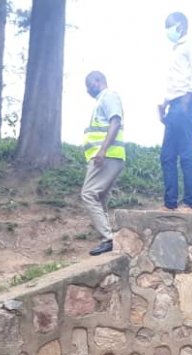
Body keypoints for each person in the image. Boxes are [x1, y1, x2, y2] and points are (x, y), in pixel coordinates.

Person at [158, 11, 192, 212]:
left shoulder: (191, 45)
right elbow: (175, 81)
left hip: (187, 103)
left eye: (170, 26)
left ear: (181, 26)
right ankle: (170, 203)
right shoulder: (176, 49)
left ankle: (189, 203)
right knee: (167, 155)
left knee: (185, 154)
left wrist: (187, 99)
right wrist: (164, 103)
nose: (168, 30)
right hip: (174, 105)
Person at [81, 71, 126, 257]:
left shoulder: (109, 96)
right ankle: (110, 238)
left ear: (98, 80)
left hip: (106, 157)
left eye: (89, 84)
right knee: (100, 198)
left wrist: (102, 150)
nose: (87, 89)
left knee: (88, 194)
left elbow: (115, 122)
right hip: (109, 157)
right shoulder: (103, 99)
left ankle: (108, 238)